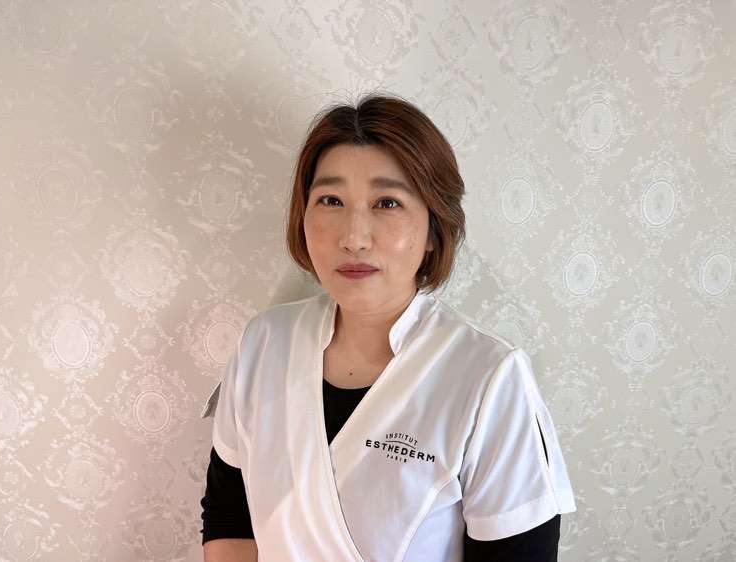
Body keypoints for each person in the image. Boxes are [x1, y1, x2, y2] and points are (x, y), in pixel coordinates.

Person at [199, 93, 577, 561]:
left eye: (387, 202)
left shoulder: (488, 376)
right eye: (331, 200)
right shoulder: (263, 342)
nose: (354, 237)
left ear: (434, 229)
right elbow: (230, 515)